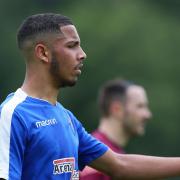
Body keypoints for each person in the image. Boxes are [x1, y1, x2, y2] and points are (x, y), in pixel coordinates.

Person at [0, 13, 180, 180]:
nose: (82, 54)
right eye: (71, 46)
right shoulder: (13, 114)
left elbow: (119, 165)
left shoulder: (66, 117)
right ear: (43, 53)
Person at [80, 78, 152, 179]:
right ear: (117, 109)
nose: (148, 115)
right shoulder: (96, 161)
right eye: (140, 106)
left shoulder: (113, 154)